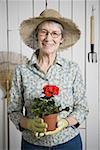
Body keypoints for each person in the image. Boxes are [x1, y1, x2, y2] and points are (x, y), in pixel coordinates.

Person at [8, 9, 89, 150]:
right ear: (36, 35)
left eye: (55, 33)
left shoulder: (72, 69)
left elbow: (82, 108)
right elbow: (13, 111)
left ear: (61, 39)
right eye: (43, 32)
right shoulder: (22, 71)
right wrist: (29, 124)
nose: (48, 38)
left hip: (68, 143)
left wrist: (64, 122)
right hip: (33, 145)